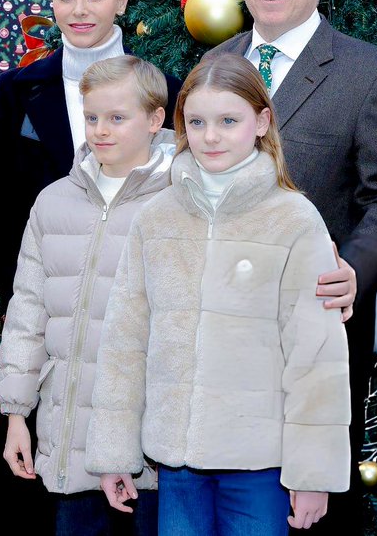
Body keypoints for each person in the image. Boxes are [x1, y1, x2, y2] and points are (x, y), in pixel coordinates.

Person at [206, 0, 377, 532]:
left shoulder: (371, 73)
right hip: (217, 341)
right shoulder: (213, 69)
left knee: (310, 516)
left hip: (316, 337)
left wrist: (354, 269)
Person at [87, 54, 351, 536]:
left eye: (229, 121)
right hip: (175, 462)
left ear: (261, 121)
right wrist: (113, 450)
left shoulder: (294, 219)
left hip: (260, 465)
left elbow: (316, 356)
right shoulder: (156, 217)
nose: (211, 136)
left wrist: (313, 473)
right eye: (198, 122)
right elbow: (125, 343)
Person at [0, 0, 181, 534]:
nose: (79, 9)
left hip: (141, 340)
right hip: (51, 325)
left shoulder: (164, 87)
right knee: (49, 496)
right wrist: (30, 301)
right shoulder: (17, 91)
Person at [0, 55, 172, 536]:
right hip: (68, 436)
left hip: (149, 446)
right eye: (92, 117)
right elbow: (28, 314)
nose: (101, 130)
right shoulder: (53, 201)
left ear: (155, 119)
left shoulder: (180, 203)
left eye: (117, 117)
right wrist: (16, 416)